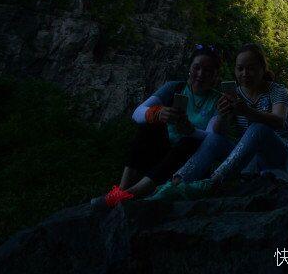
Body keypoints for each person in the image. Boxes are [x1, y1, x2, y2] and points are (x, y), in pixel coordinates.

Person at [149, 43, 288, 199]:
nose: (245, 73)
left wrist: (246, 111)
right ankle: (175, 184)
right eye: (240, 69)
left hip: (276, 154)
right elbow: (220, 132)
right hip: (248, 157)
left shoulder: (277, 90)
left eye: (251, 68)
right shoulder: (234, 94)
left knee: (258, 128)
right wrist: (222, 115)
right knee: (214, 139)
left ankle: (212, 183)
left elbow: (278, 120)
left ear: (262, 68)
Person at [91, 45, 222, 207]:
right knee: (148, 126)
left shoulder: (218, 101)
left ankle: (131, 194)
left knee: (189, 141)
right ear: (190, 68)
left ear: (215, 75)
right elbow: (137, 113)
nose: (201, 74)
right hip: (162, 153)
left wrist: (191, 131)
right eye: (197, 67)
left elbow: (213, 138)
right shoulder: (174, 88)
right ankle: (121, 189)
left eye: (208, 70)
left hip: (190, 161)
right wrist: (157, 113)